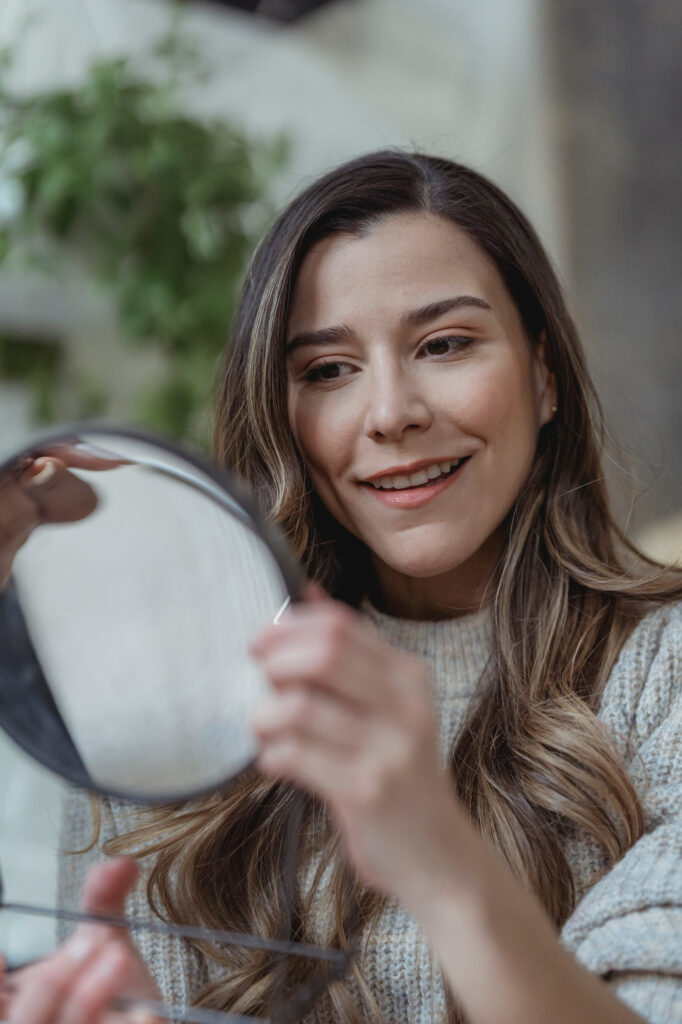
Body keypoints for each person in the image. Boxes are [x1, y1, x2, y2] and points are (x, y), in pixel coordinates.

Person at [1, 149, 681, 1024]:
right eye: (327, 370)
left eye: (445, 345)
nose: (390, 411)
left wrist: (437, 855)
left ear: (544, 375)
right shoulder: (173, 701)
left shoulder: (661, 674)